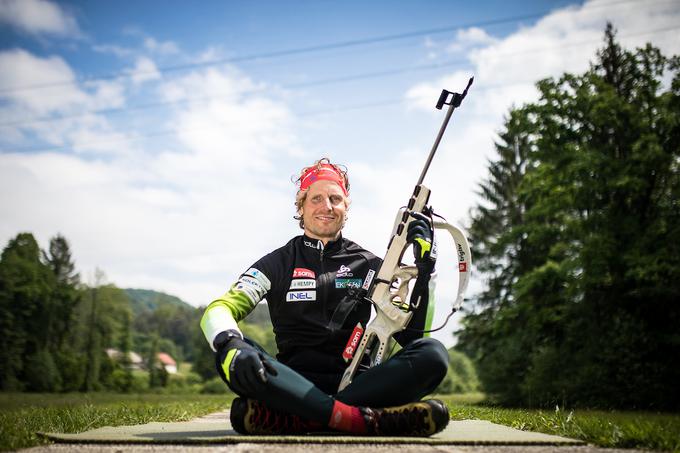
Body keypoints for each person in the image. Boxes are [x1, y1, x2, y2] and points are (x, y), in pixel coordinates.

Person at [200, 158, 450, 436]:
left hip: (360, 385)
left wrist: (426, 274)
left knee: (434, 354)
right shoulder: (276, 263)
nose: (327, 207)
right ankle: (366, 421)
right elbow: (219, 309)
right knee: (232, 353)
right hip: (291, 382)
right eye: (316, 198)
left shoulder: (372, 265)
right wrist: (231, 341)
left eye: (335, 198)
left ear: (346, 207)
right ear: (302, 207)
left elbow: (413, 338)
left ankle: (302, 419)